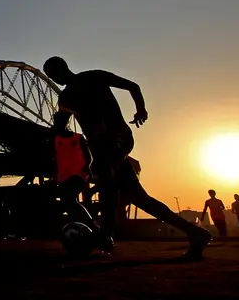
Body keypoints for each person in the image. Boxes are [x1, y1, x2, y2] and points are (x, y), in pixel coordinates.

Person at [43, 56, 212, 259]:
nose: (54, 79)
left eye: (52, 75)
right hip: (117, 140)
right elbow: (133, 86)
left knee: (107, 183)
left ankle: (105, 237)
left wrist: (55, 134)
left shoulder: (69, 96)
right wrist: (140, 109)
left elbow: (59, 129)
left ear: (60, 70)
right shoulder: (93, 77)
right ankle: (196, 233)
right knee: (139, 198)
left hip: (112, 142)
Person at [52, 130, 99, 235]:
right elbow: (55, 158)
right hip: (63, 177)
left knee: (69, 199)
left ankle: (91, 226)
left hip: (78, 175)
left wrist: (87, 166)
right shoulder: (56, 139)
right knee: (68, 202)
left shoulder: (78, 138)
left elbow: (88, 156)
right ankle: (85, 226)